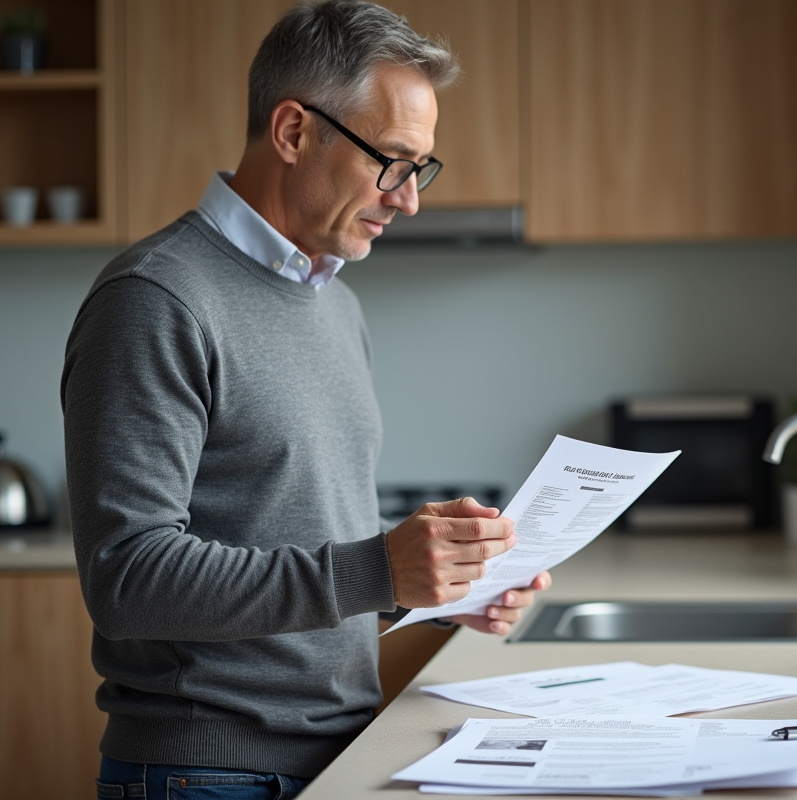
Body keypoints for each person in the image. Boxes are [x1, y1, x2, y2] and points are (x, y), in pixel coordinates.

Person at [61, 2, 550, 796]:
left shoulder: (334, 302)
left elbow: (303, 556)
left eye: (419, 168)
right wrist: (377, 572)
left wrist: (427, 593)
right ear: (293, 132)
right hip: (207, 772)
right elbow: (128, 578)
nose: (408, 199)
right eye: (390, 161)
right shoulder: (156, 299)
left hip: (338, 754)